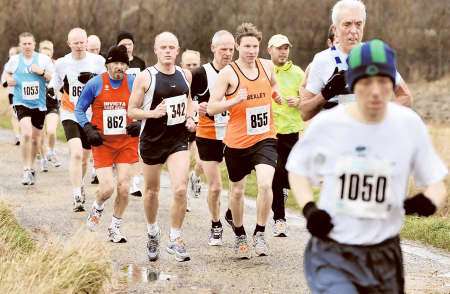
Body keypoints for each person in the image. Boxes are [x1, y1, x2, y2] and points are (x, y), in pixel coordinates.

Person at [287, 39, 448, 293]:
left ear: (393, 84)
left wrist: (427, 201)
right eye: (366, 82)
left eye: (383, 82)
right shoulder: (328, 125)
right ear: (352, 82)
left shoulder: (408, 125)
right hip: (333, 251)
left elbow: (437, 183)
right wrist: (309, 209)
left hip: (384, 253)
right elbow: (297, 169)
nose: (375, 91)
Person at [207, 23, 282, 259]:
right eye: (247, 46)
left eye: (255, 46)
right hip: (237, 142)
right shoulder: (228, 73)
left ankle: (259, 233)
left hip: (265, 137)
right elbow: (211, 106)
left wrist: (278, 95)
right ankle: (240, 234)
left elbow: (274, 85)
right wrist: (233, 101)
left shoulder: (267, 66)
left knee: (265, 184)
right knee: (237, 192)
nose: (251, 50)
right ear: (238, 46)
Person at [128, 32, 196, 262]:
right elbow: (132, 110)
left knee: (179, 188)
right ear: (155, 50)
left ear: (177, 50)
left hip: (177, 140)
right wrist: (153, 113)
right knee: (151, 191)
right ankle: (152, 232)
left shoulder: (185, 75)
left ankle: (175, 238)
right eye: (163, 47)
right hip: (152, 141)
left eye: (172, 47)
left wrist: (190, 117)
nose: (168, 51)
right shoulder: (145, 77)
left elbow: (188, 100)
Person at [300, 0, 412, 121]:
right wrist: (325, 94)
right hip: (337, 135)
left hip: (369, 135)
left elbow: (406, 97)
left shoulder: (376, 54)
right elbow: (305, 114)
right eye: (347, 24)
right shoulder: (321, 59)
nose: (354, 30)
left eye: (358, 24)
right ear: (335, 29)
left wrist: (380, 115)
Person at [75, 45, 140, 243]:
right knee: (107, 188)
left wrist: (139, 123)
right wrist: (87, 128)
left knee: (123, 186)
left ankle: (115, 227)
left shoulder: (134, 83)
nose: (120, 67)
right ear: (108, 65)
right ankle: (97, 208)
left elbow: (147, 107)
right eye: (116, 63)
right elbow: (79, 109)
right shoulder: (95, 83)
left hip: (126, 142)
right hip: (102, 142)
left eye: (123, 64)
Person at [48, 27, 105, 211]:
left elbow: (107, 83)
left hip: (90, 116)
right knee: (76, 153)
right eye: (76, 43)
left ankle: (79, 183)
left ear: (87, 42)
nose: (79, 46)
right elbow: (55, 83)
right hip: (70, 112)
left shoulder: (98, 62)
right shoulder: (62, 63)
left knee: (85, 158)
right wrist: (51, 90)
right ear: (69, 44)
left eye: (82, 42)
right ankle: (76, 194)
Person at [191, 30, 235, 245]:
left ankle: (230, 212)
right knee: (216, 187)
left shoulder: (238, 71)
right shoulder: (201, 73)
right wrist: (195, 109)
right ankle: (215, 224)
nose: (227, 53)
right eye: (223, 49)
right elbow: (187, 98)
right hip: (208, 134)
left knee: (238, 185)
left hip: (233, 134)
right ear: (213, 48)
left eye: (230, 49)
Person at [3, 32, 54, 185]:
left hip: (39, 104)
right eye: (24, 44)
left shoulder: (43, 59)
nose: (27, 46)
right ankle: (25, 169)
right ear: (20, 45)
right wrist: (8, 80)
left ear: (34, 44)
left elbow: (53, 77)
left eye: (29, 43)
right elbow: (5, 76)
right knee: (26, 134)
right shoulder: (14, 60)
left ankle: (31, 167)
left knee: (35, 139)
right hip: (21, 102)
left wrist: (41, 72)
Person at [267, 34, 305, 237]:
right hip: (270, 131)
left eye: (286, 48)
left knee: (288, 174)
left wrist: (299, 100)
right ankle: (279, 219)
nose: (283, 52)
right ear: (269, 50)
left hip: (291, 131)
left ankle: (282, 187)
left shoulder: (298, 72)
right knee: (275, 173)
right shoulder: (264, 70)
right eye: (279, 48)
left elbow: (308, 97)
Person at [116, 31, 147, 197]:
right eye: (123, 44)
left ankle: (135, 181)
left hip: (136, 106)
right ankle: (121, 173)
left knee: (137, 144)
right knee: (122, 142)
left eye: (129, 43)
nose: (127, 47)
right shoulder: (115, 62)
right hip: (118, 106)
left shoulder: (140, 62)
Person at [181, 49, 203, 202]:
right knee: (183, 165)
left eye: (195, 64)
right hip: (181, 131)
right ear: (182, 65)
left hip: (200, 128)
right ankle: (184, 197)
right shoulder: (176, 82)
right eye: (188, 65)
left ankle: (195, 176)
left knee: (202, 161)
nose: (192, 68)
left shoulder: (205, 82)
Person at [38, 40, 61, 171]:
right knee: (40, 134)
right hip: (37, 104)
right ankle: (43, 158)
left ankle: (51, 151)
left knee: (51, 130)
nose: (46, 51)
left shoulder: (57, 65)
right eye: (44, 48)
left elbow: (57, 79)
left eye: (49, 49)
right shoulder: (33, 65)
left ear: (52, 52)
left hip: (52, 103)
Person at [1, 46, 21, 145]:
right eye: (10, 54)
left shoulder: (23, 63)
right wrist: (8, 81)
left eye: (13, 54)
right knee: (14, 114)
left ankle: (25, 134)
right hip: (12, 93)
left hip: (23, 93)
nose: (11, 56)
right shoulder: (7, 66)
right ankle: (17, 136)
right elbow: (3, 82)